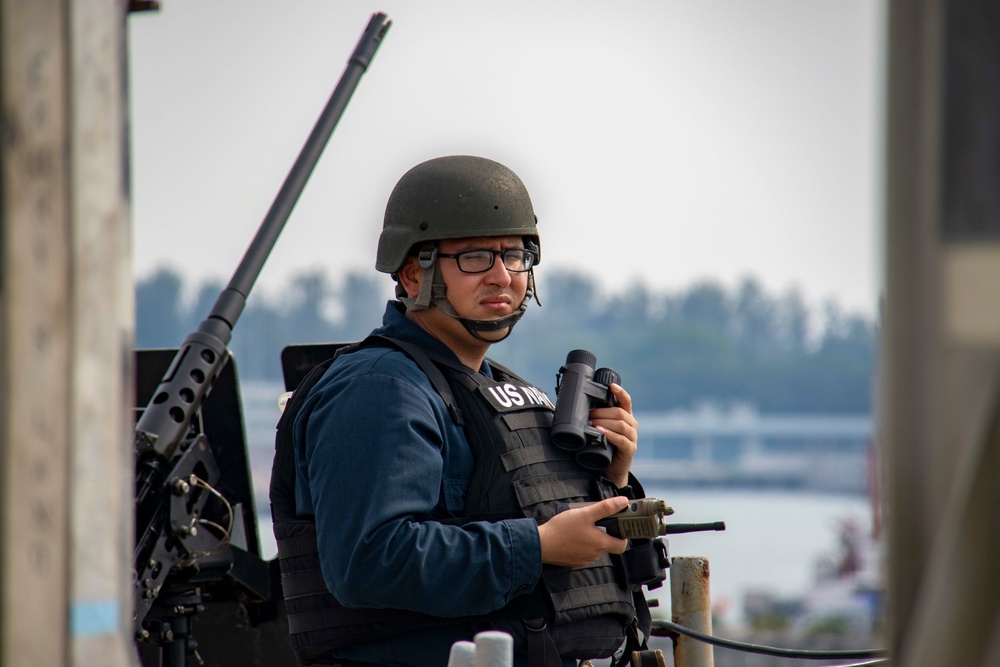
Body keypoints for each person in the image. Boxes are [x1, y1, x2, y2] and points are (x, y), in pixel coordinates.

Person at [270, 155, 651, 667]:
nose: (502, 276)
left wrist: (610, 485)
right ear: (412, 273)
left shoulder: (504, 390)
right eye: (474, 256)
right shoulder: (379, 388)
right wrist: (536, 547)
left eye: (515, 255)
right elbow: (370, 561)